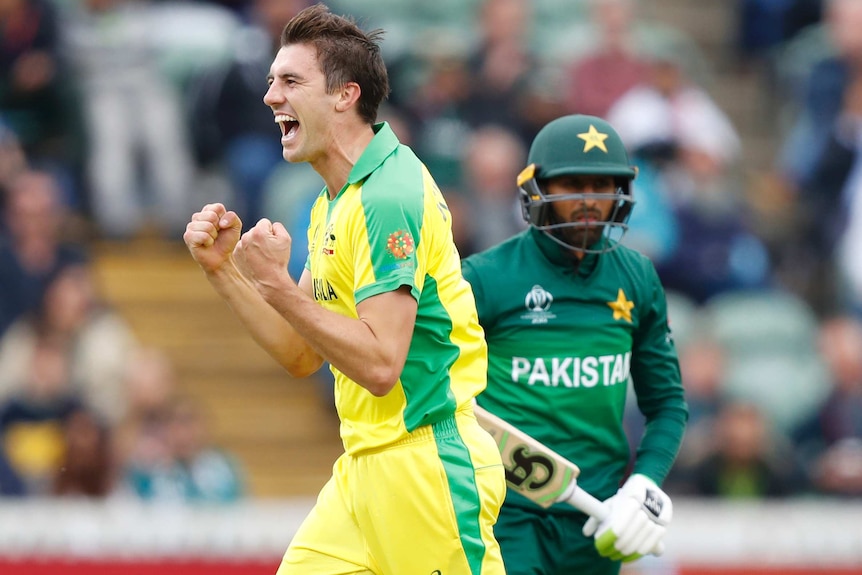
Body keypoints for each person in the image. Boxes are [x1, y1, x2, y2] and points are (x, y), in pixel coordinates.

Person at [182, 4, 506, 574]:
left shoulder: (388, 195)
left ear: (344, 95)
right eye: (270, 81)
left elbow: (381, 366)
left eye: (289, 81)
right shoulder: (335, 200)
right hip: (363, 470)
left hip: (426, 468)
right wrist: (223, 270)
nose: (270, 97)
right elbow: (302, 352)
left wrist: (278, 287)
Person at [462, 114, 689, 575]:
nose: (589, 200)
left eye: (602, 186)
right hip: (508, 514)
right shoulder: (484, 278)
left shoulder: (637, 277)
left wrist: (641, 485)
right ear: (537, 191)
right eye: (572, 185)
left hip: (598, 519)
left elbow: (666, 403)